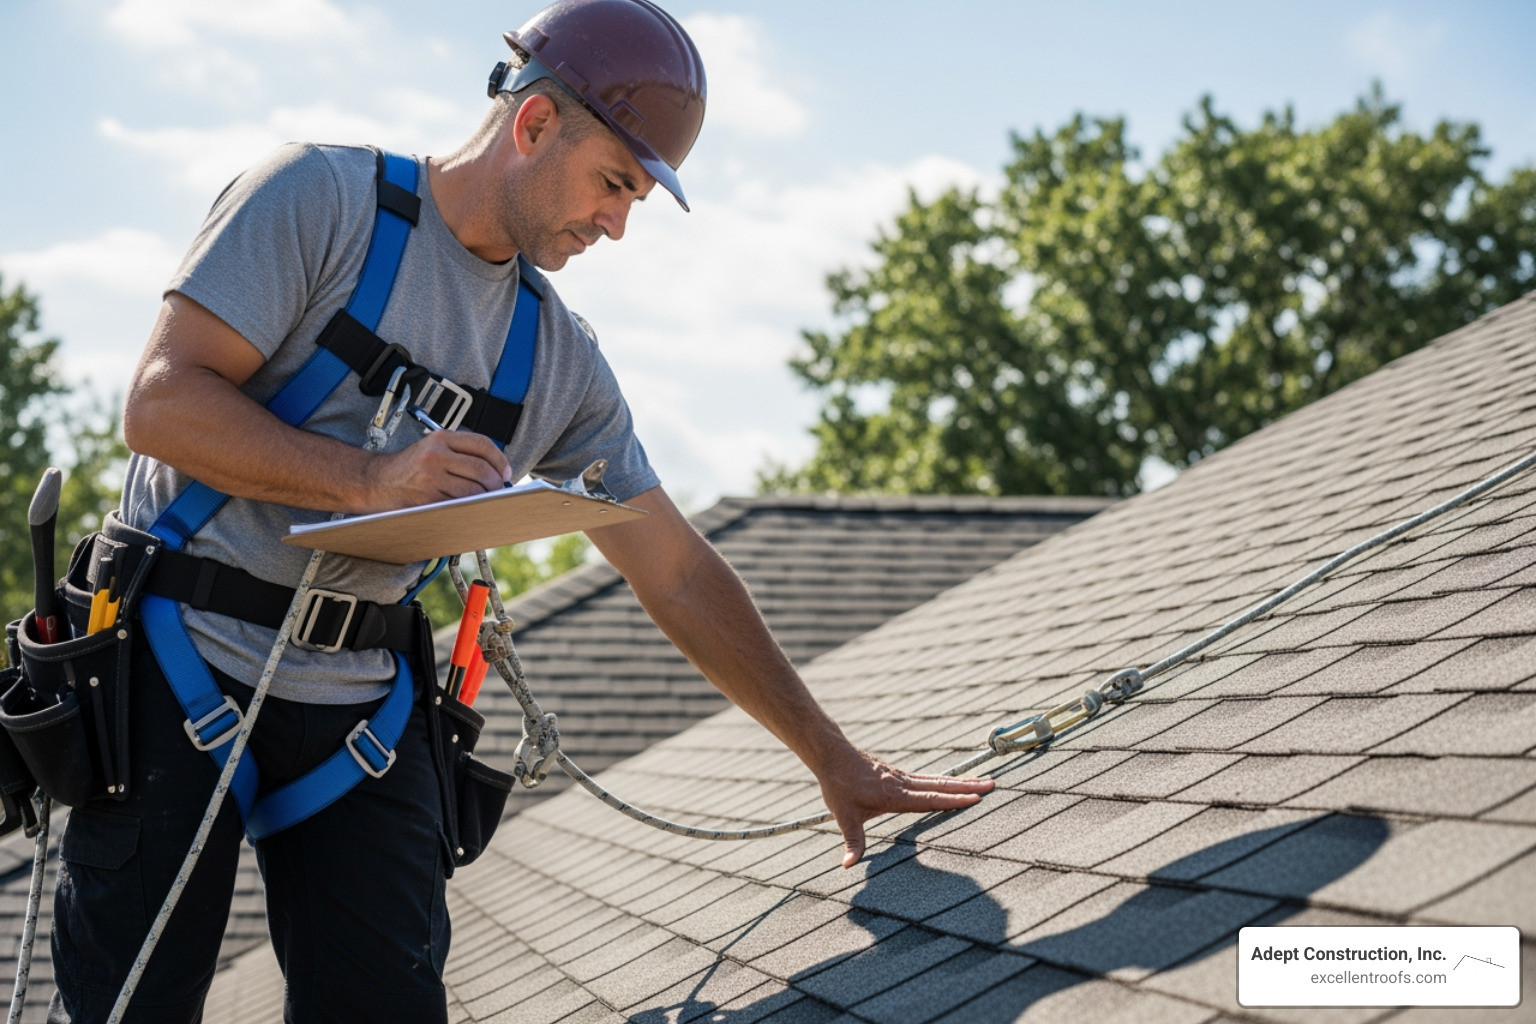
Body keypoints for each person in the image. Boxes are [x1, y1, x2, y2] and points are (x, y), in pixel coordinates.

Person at [49, 1, 993, 1020]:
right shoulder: (317, 200)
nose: (619, 223)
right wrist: (371, 481)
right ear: (536, 123)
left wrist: (835, 758)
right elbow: (159, 404)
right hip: (178, 658)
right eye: (614, 182)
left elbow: (671, 566)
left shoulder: (557, 359)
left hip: (360, 705)